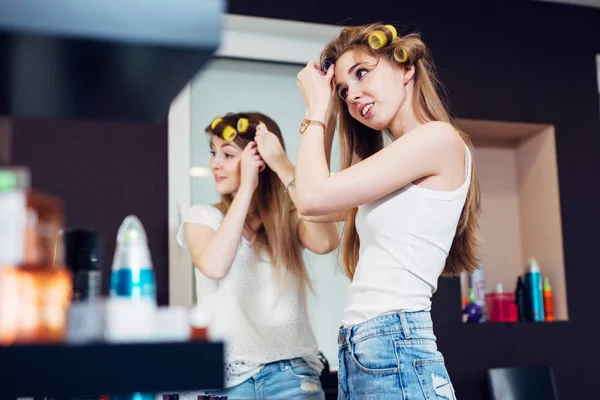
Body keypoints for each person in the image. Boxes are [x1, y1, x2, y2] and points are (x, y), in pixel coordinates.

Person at [295, 23, 481, 399]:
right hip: (367, 349)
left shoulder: (437, 139)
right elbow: (315, 209)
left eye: (362, 73)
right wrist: (327, 113)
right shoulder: (394, 163)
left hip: (394, 343)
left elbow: (312, 198)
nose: (353, 96)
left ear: (405, 68)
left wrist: (317, 108)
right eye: (343, 90)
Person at [177, 111, 339, 399]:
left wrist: (282, 164)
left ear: (259, 161)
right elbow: (214, 267)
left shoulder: (288, 220)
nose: (214, 163)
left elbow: (326, 242)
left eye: (227, 155)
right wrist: (246, 189)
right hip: (225, 380)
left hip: (292, 375)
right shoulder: (201, 217)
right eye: (214, 153)